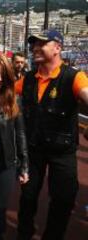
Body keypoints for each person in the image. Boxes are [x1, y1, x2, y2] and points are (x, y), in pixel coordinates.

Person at [15, 29, 88, 240]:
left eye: (41, 43)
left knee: (63, 201)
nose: (34, 48)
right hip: (34, 149)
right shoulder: (28, 79)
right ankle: (24, 234)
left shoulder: (74, 77)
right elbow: (4, 94)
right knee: (27, 198)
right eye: (33, 44)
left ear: (58, 47)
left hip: (62, 152)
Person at [0, 55, 29, 240]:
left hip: (5, 164)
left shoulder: (12, 101)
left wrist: (24, 165)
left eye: (4, 76)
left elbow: (20, 134)